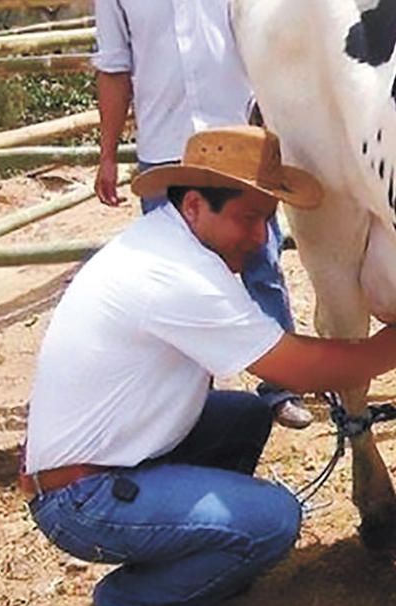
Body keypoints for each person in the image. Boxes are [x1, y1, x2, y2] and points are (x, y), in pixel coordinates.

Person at [23, 127, 396, 606]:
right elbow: (294, 368)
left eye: (267, 220)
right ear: (194, 205)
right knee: (276, 519)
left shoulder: (166, 244)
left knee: (244, 416)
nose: (260, 238)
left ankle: (200, 555)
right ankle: (132, 605)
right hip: (80, 498)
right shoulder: (177, 275)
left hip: (95, 462)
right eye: (248, 218)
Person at [91, 0, 314, 428]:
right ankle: (190, 400)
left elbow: (269, 42)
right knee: (174, 280)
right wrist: (107, 154)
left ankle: (281, 384)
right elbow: (114, 67)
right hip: (165, 148)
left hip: (238, 143)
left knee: (261, 263)